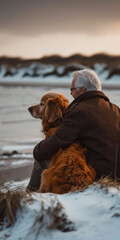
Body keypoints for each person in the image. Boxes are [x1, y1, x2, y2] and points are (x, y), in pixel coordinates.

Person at [26, 68, 120, 192]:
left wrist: (37, 150)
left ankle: (29, 198)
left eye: (72, 89)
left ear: (82, 90)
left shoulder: (79, 110)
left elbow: (59, 139)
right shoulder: (115, 109)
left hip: (95, 176)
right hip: (117, 178)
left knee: (41, 156)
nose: (70, 94)